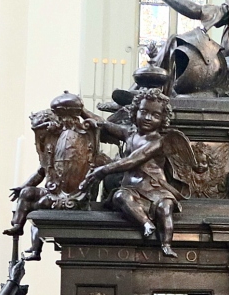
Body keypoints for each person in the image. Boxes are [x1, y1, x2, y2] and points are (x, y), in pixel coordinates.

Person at [78, 89, 196, 257]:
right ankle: (146, 223)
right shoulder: (129, 133)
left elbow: (133, 160)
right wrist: (82, 110)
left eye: (155, 115)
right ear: (135, 112)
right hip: (132, 187)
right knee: (120, 197)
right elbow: (103, 123)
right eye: (144, 112)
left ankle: (166, 244)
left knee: (165, 208)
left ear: (163, 119)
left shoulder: (158, 142)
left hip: (156, 188)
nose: (148, 118)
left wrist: (104, 170)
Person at [6, 92, 108, 260]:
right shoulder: (53, 143)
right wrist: (22, 186)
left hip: (78, 197)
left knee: (39, 209)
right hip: (55, 192)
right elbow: (41, 172)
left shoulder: (86, 140)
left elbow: (102, 125)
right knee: (26, 193)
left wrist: (83, 111)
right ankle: (17, 225)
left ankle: (35, 250)